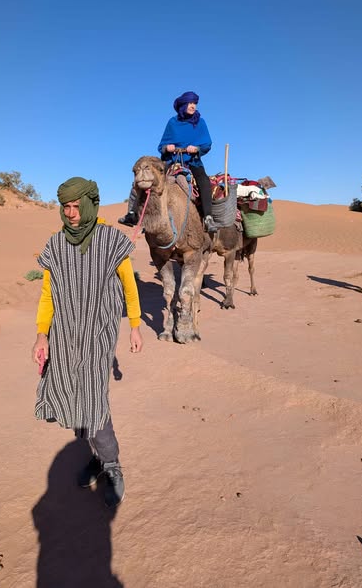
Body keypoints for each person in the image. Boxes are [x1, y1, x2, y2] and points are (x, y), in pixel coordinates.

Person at [32, 177, 143, 508]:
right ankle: (96, 457)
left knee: (93, 399)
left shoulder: (111, 240)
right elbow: (47, 294)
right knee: (71, 394)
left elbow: (129, 286)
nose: (71, 213)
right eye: (65, 207)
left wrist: (135, 326)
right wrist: (41, 334)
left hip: (98, 334)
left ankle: (112, 464)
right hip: (64, 335)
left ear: (90, 205)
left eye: (76, 206)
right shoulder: (55, 245)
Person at [158, 90, 219, 233]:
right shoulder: (172, 123)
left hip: (192, 162)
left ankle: (208, 218)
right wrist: (167, 147)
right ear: (183, 105)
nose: (193, 106)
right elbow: (161, 145)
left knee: (204, 182)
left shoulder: (200, 122)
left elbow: (207, 144)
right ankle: (139, 215)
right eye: (190, 103)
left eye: (195, 103)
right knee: (155, 182)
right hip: (172, 160)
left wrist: (196, 148)